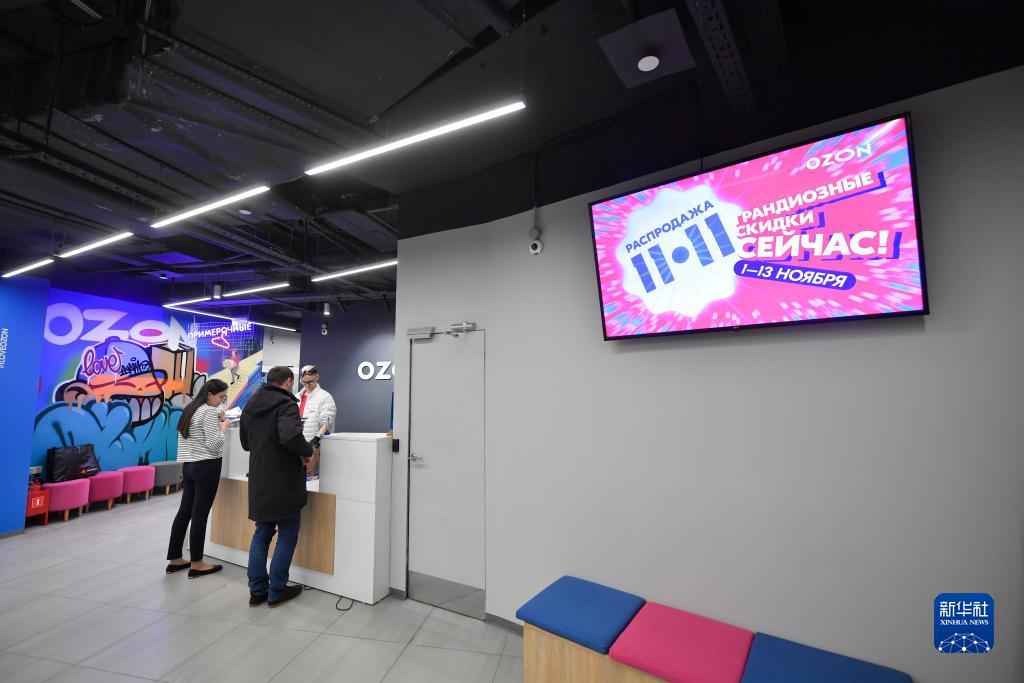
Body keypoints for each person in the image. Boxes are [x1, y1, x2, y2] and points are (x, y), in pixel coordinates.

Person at [240, 365, 314, 607]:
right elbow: (290, 435)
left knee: (262, 534)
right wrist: (306, 451)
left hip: (260, 478)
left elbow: (245, 443)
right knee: (288, 533)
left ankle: (257, 591)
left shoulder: (251, 404)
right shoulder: (286, 403)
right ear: (289, 381)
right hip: (284, 479)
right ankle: (277, 590)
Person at [166, 378, 230, 579]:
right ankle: (197, 563)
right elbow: (214, 444)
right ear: (210, 394)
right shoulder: (209, 411)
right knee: (200, 515)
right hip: (207, 466)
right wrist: (223, 428)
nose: (222, 401)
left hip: (189, 466)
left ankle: (175, 559)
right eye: (221, 397)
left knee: (184, 512)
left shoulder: (190, 409)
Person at [296, 365, 336, 476]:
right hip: (296, 443)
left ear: (317, 377)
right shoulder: (296, 397)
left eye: (310, 382)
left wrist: (317, 438)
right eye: (304, 382)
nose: (307, 385)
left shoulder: (325, 397)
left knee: (310, 476)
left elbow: (327, 421)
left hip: (313, 445)